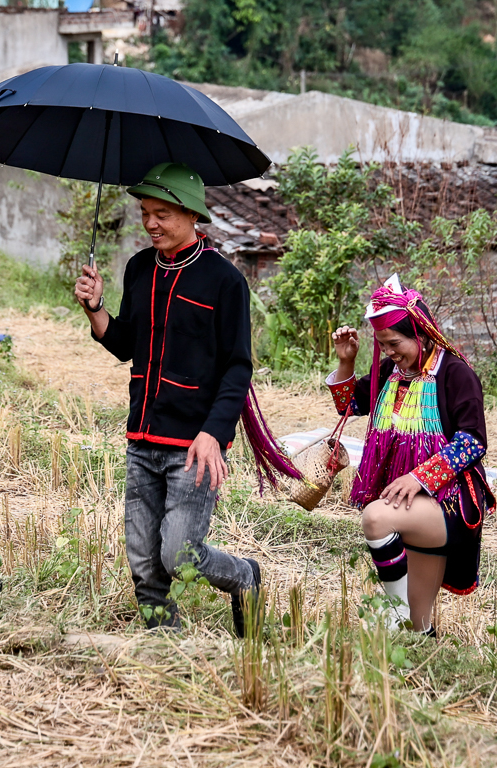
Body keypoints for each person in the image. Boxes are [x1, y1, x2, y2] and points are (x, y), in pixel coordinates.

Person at [72, 162, 297, 635]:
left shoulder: (224, 281)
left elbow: (238, 368)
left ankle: (244, 576)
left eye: (162, 214)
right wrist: (95, 309)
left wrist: (214, 434)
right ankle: (163, 638)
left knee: (178, 555)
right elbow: (124, 344)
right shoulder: (139, 269)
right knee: (142, 556)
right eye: (144, 212)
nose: (150, 223)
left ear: (192, 215)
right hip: (142, 435)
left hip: (193, 444)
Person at [326, 275, 494, 634]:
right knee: (417, 630)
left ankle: (393, 609)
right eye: (383, 345)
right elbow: (350, 405)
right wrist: (346, 363)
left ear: (419, 331)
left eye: (395, 343)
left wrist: (419, 477)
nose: (389, 352)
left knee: (375, 519)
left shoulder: (455, 373)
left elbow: (473, 441)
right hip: (409, 502)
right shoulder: (391, 371)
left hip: (447, 501)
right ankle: (416, 647)